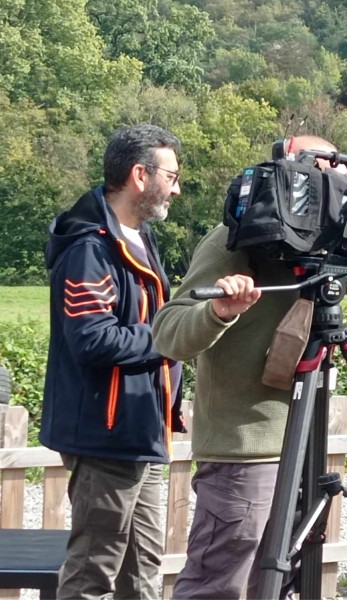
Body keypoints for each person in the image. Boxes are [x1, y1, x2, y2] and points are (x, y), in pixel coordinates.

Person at [152, 135, 347, 599]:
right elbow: (168, 333)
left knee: (281, 583)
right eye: (322, 166)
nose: (335, 178)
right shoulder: (238, 234)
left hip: (304, 446)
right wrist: (220, 310)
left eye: (338, 168)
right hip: (246, 447)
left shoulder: (329, 237)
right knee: (220, 583)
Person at [40, 123, 185, 599]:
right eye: (172, 175)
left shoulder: (139, 237)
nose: (177, 187)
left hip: (141, 430)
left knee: (142, 571)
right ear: (140, 175)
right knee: (93, 571)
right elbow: (93, 340)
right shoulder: (90, 247)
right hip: (105, 436)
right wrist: (170, 336)